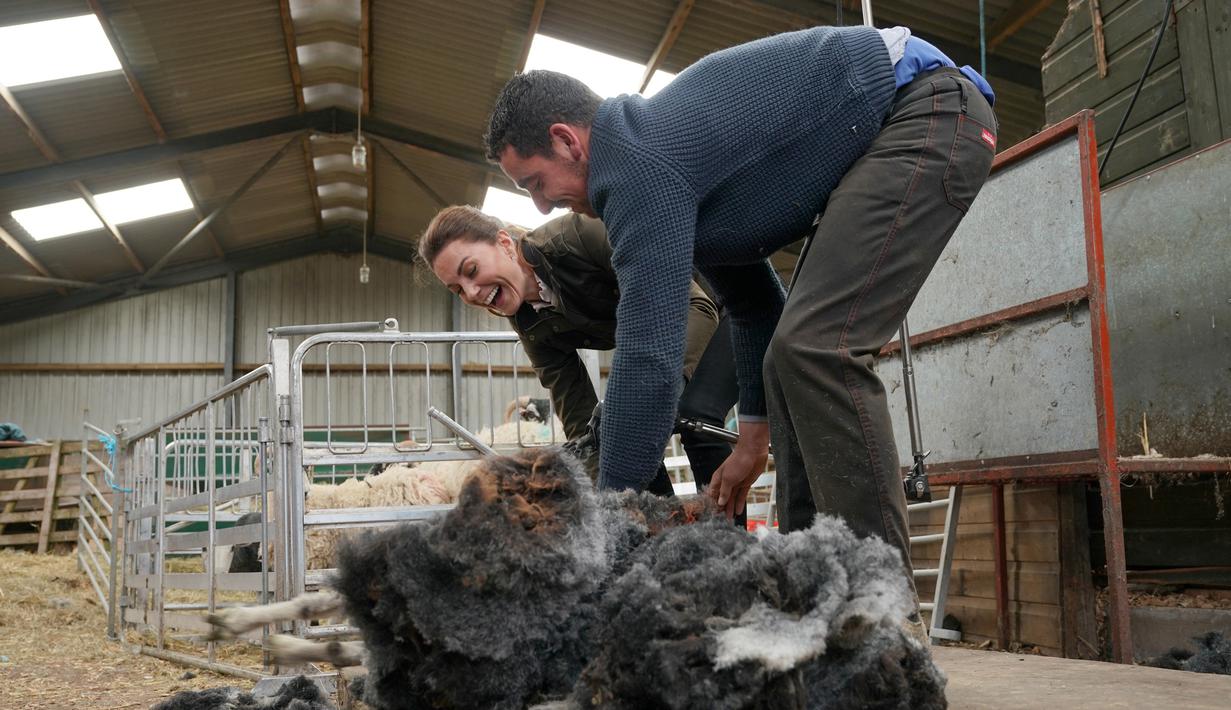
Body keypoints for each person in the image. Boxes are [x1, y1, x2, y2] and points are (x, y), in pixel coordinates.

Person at [483, 24, 997, 584]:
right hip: (894, 125)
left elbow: (649, 363)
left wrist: (605, 527)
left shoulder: (633, 167)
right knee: (789, 353)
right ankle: (815, 588)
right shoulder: (671, 170)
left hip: (927, 108)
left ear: (567, 141)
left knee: (818, 349)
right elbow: (754, 308)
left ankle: (879, 602)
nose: (538, 205)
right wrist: (752, 443)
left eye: (534, 182)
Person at [418, 205, 739, 496]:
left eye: (471, 270)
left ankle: (727, 545)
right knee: (616, 440)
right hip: (670, 333)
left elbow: (695, 306)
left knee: (695, 416)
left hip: (729, 310)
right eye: (458, 289)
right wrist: (602, 487)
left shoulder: (581, 237)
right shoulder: (528, 320)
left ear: (504, 243)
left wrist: (654, 394)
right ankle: (659, 537)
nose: (471, 292)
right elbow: (575, 406)